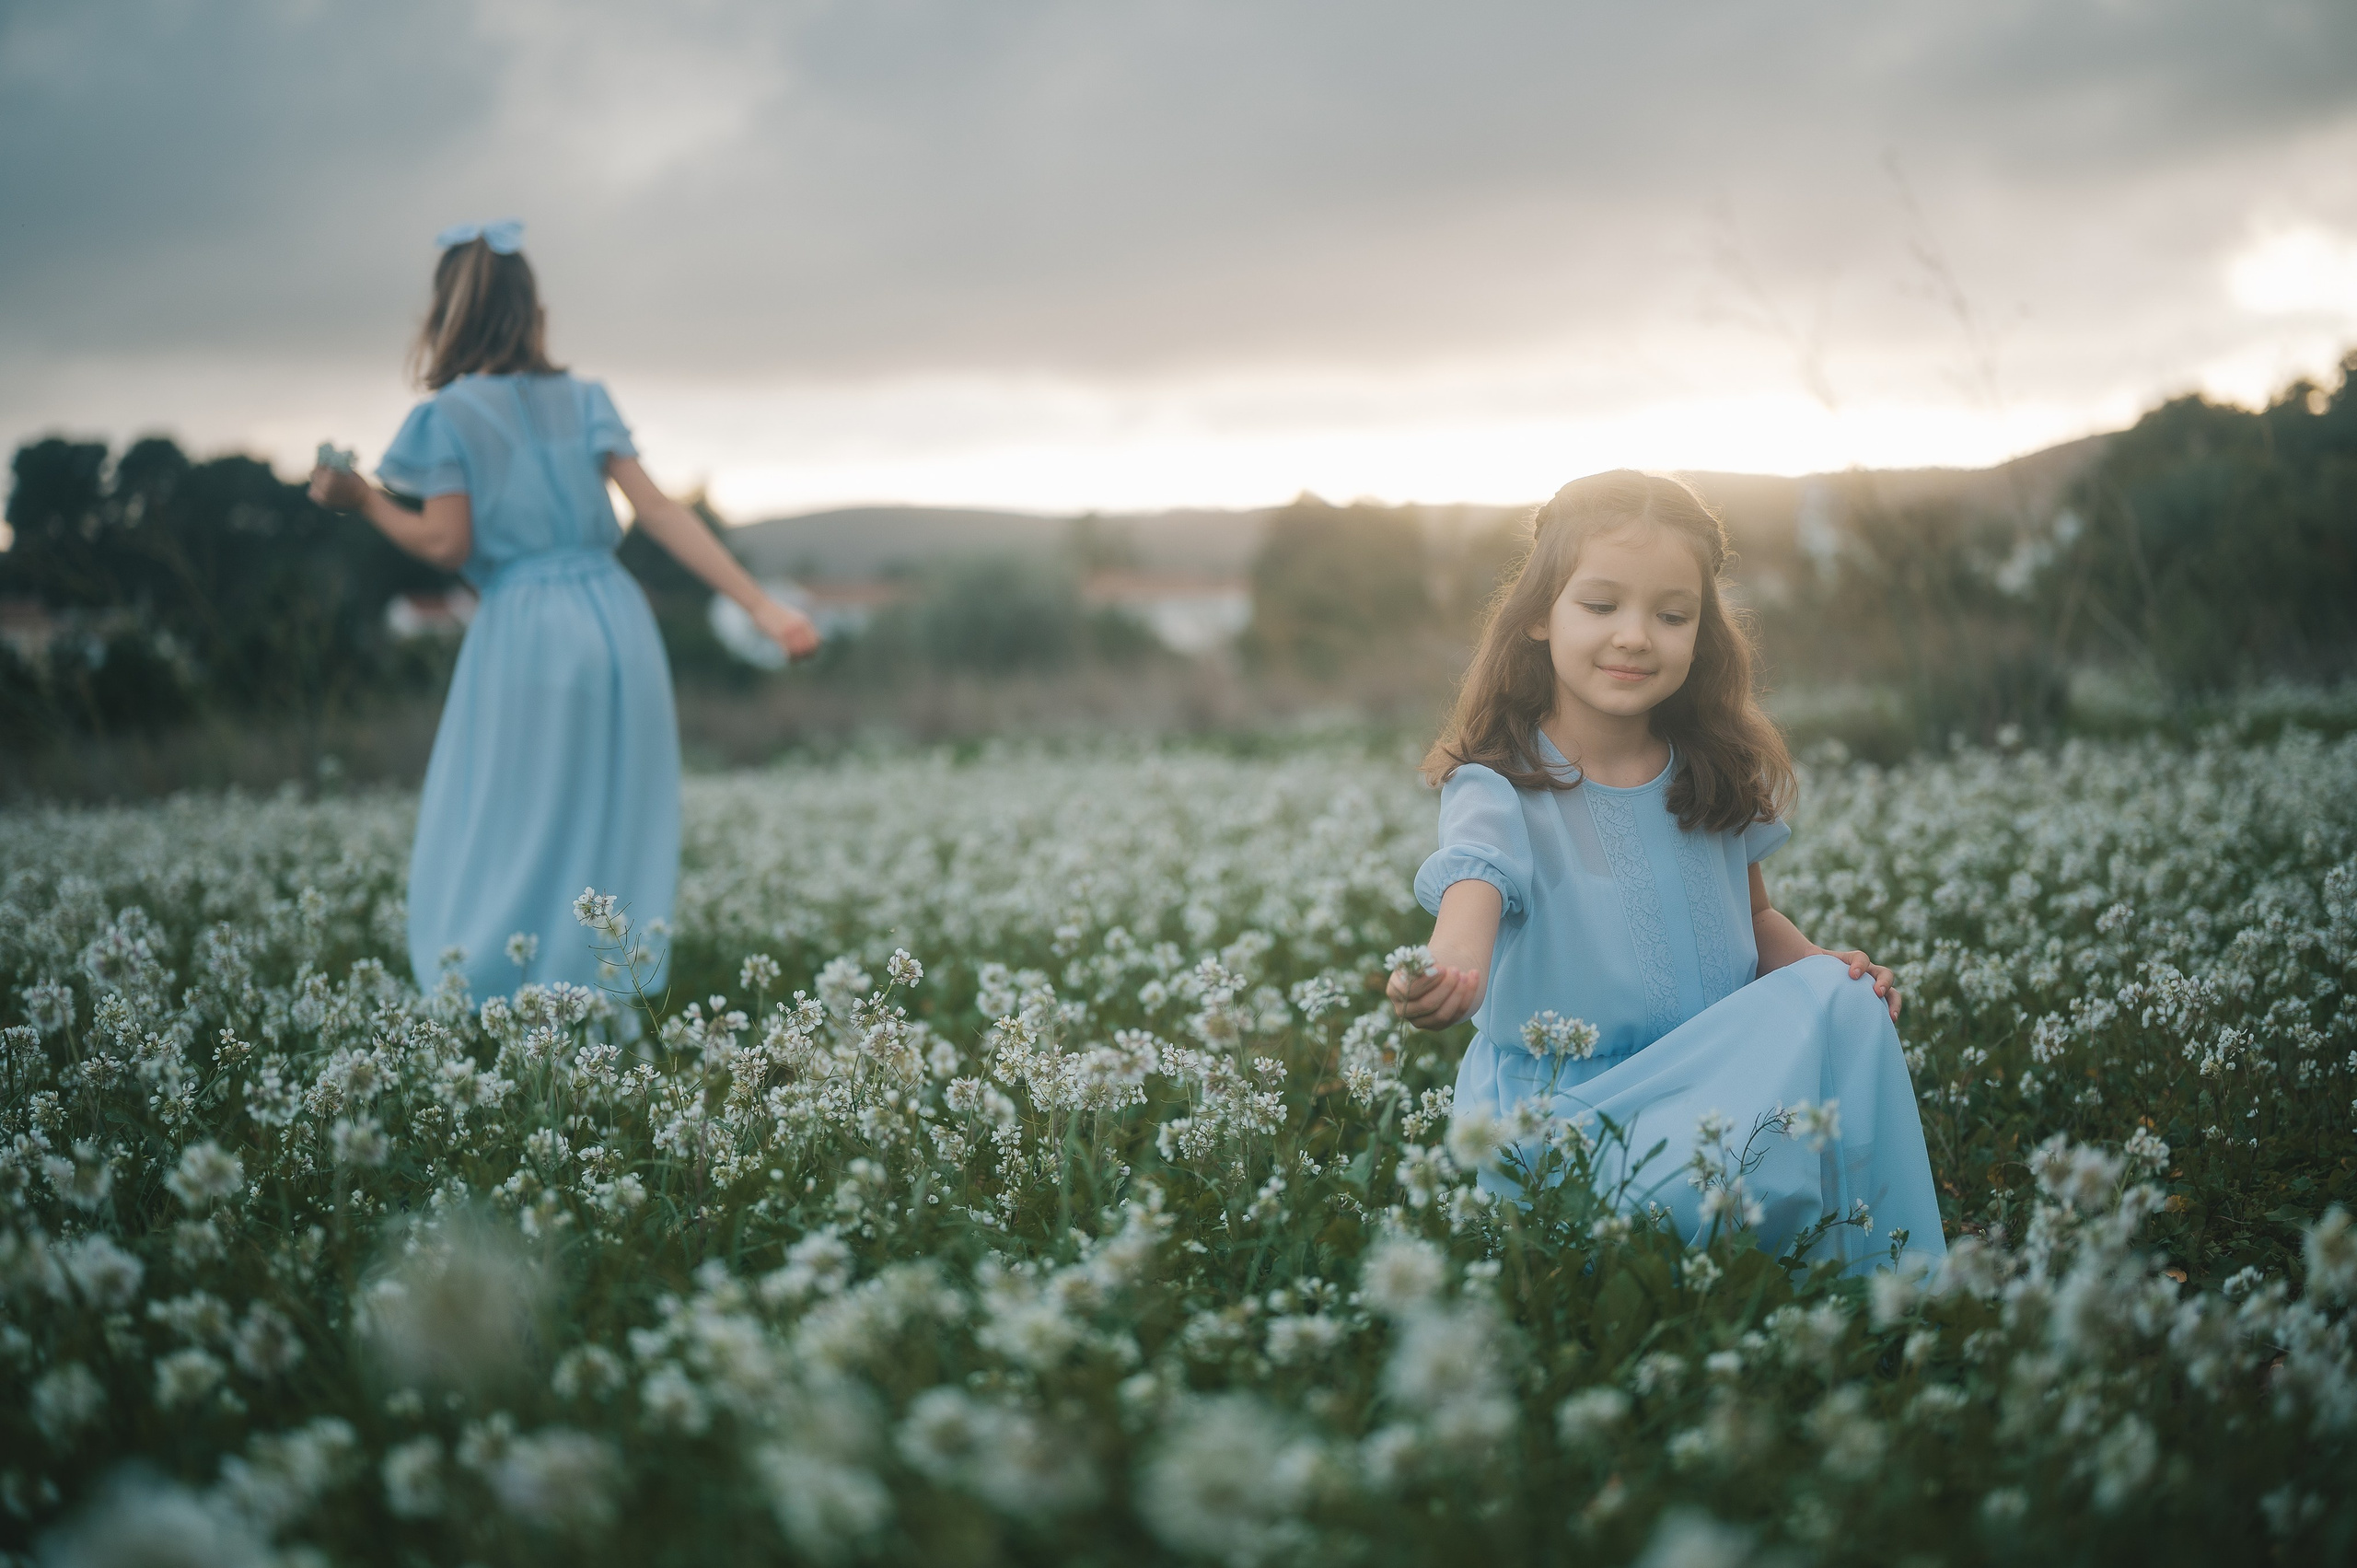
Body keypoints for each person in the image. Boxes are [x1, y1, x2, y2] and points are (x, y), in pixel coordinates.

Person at [1386, 470, 1944, 1273]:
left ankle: (1887, 1285)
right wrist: (1447, 971)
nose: (1636, 635)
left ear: (1701, 634)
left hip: (1714, 1095)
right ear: (1540, 614)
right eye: (1601, 604)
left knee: (1845, 1003)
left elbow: (1753, 921)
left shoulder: (1710, 770)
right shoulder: (1499, 783)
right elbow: (1469, 902)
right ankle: (1736, 1258)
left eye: (1671, 614)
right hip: (1569, 1126)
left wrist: (1825, 969)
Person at [309, 219, 819, 1007]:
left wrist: (364, 502)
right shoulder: (587, 398)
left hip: (528, 628)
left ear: (445, 313)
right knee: (608, 811)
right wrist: (760, 605)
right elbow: (655, 509)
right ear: (531, 308)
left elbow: (446, 542)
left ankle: (491, 991)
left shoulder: (451, 415)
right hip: (615, 620)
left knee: (510, 813)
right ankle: (601, 996)